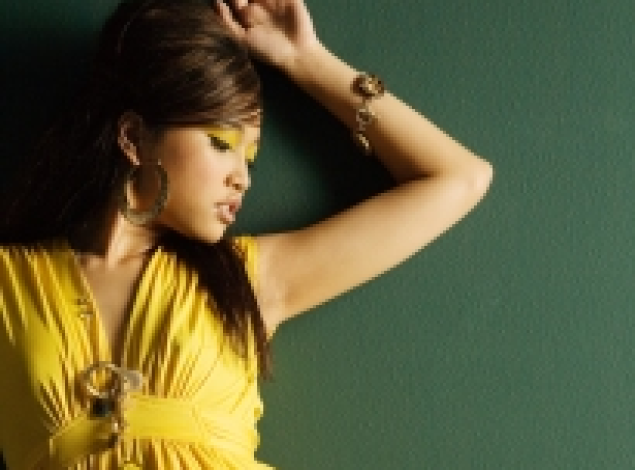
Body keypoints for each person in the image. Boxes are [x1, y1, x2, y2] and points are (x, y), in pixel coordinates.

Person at [0, 0, 493, 468]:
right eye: (222, 143)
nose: (242, 178)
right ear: (133, 137)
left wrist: (307, 61)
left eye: (250, 158)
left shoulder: (251, 278)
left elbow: (459, 178)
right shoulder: (11, 283)